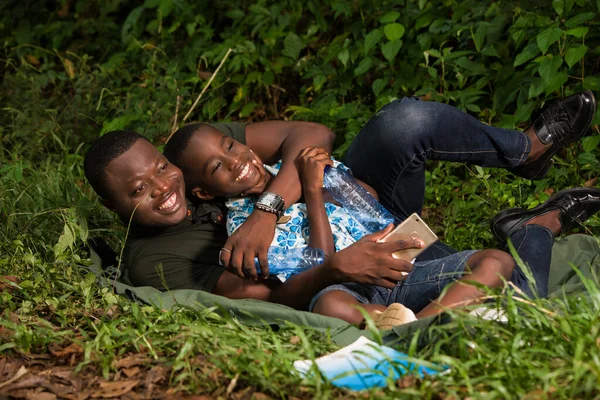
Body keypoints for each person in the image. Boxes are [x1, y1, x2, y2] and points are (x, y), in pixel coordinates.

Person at [84, 91, 599, 319]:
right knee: (502, 271)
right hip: (345, 263)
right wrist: (333, 259)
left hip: (356, 204)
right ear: (117, 209)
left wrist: (272, 203)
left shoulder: (202, 154)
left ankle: (524, 150)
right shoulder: (156, 258)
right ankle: (536, 229)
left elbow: (310, 133)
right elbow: (269, 295)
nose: (161, 187)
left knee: (404, 121)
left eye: (159, 169)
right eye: (139, 192)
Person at [162, 123, 519, 326]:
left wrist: (332, 181)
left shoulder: (289, 170)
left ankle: (417, 326)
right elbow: (321, 265)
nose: (235, 161)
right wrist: (313, 193)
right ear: (203, 193)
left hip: (397, 270)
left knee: (496, 261)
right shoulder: (246, 227)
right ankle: (439, 319)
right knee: (329, 306)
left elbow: (370, 202)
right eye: (216, 168)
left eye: (230, 146)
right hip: (347, 288)